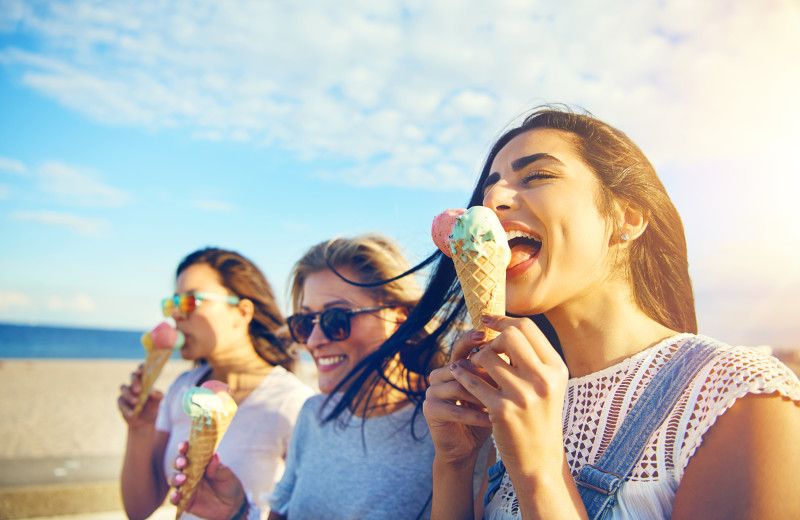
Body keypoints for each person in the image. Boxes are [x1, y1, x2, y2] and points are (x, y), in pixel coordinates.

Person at [418, 107, 800, 519]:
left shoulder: (737, 394)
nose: (491, 201)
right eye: (487, 190)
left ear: (627, 217)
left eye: (537, 176)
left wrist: (540, 473)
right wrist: (454, 465)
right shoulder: (518, 394)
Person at [170, 234, 451, 520]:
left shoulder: (450, 430)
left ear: (399, 317)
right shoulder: (314, 415)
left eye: (336, 319)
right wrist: (236, 512)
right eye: (305, 322)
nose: (313, 341)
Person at [117, 247, 315, 520]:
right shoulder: (181, 389)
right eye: (173, 304)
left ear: (242, 312)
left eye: (190, 301)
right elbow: (139, 511)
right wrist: (140, 429)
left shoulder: (292, 402)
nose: (176, 314)